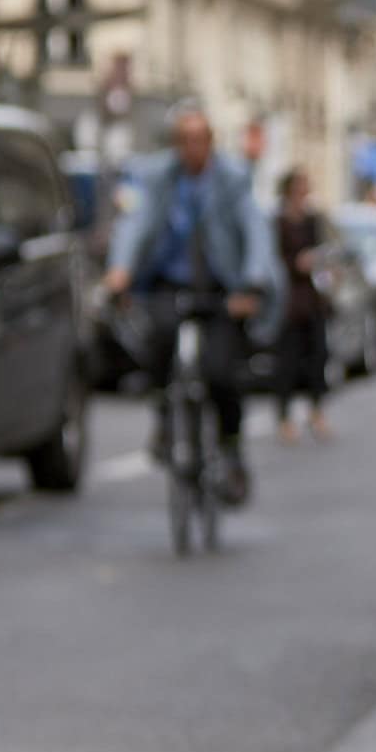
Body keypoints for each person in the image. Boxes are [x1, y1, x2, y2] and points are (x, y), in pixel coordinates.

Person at [102, 104, 273, 503]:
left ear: (211, 143)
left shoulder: (233, 179)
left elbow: (255, 230)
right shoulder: (157, 177)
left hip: (222, 288)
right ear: (175, 145)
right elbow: (136, 223)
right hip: (169, 283)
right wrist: (120, 270)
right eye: (184, 141)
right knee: (155, 340)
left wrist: (253, 281)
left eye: (200, 140)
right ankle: (165, 417)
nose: (192, 148)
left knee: (221, 374)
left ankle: (230, 451)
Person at [272, 168, 332, 444]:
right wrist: (294, 263)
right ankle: (284, 416)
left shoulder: (313, 220)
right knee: (288, 359)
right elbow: (271, 258)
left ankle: (316, 411)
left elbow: (324, 250)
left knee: (318, 355)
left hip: (312, 298)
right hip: (287, 300)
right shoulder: (278, 221)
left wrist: (325, 266)